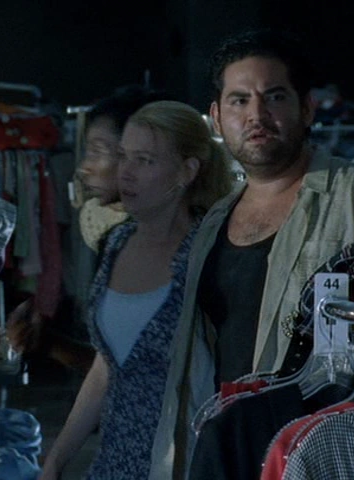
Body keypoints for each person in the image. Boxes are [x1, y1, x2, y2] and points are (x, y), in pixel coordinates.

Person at [150, 29, 354, 480]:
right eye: (239, 100)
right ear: (216, 117)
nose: (256, 115)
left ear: (306, 108)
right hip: (230, 443)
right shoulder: (214, 221)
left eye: (275, 97)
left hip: (324, 450)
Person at [39, 100, 233, 479]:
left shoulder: (208, 255)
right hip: (115, 462)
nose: (125, 172)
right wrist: (57, 459)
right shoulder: (116, 242)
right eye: (124, 156)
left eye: (145, 161)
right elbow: (107, 368)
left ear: (187, 171)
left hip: (185, 463)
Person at [5, 85, 174, 373]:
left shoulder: (175, 247)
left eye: (98, 151)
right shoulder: (121, 239)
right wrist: (47, 342)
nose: (85, 167)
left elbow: (143, 371)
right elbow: (114, 365)